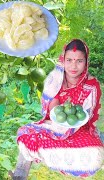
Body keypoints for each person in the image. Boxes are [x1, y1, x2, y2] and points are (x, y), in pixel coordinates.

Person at [10, 39, 104, 179]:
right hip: (54, 126)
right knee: (26, 137)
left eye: (79, 61)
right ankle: (19, 177)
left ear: (86, 62)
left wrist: (71, 125)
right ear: (63, 60)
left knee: (95, 155)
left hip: (80, 130)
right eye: (69, 60)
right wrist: (60, 125)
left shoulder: (92, 85)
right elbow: (54, 109)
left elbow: (86, 116)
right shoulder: (56, 78)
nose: (74, 66)